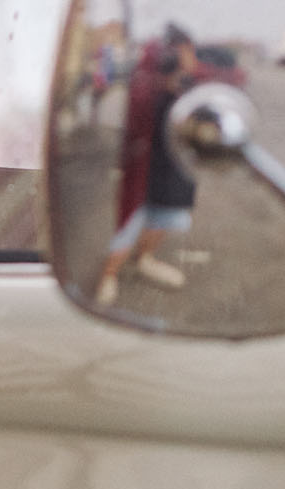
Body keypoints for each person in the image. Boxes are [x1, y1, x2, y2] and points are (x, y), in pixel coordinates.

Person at [96, 25, 202, 306]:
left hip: (174, 177)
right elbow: (125, 125)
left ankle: (145, 259)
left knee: (162, 223)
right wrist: (159, 84)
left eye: (189, 52)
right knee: (126, 232)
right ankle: (109, 274)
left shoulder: (193, 87)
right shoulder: (144, 88)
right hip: (143, 176)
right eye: (182, 53)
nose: (188, 59)